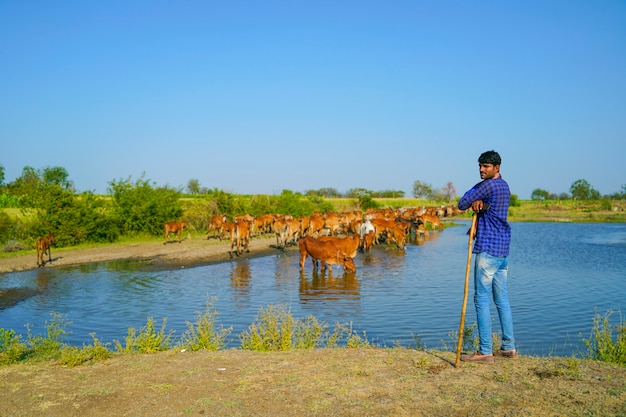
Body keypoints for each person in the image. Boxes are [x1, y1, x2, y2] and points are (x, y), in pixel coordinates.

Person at [458, 150, 516, 364]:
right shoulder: (504, 185)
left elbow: (462, 203)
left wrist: (476, 196)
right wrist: (482, 204)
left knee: (480, 299)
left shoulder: (488, 185)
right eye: (480, 166)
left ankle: (485, 352)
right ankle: (509, 347)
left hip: (487, 250)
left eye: (487, 167)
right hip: (502, 251)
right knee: (501, 299)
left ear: (497, 168)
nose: (482, 170)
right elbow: (486, 207)